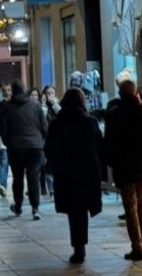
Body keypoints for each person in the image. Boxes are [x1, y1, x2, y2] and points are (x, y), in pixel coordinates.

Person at [44, 88, 102, 264]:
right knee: (82, 210)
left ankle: (78, 246)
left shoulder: (56, 124)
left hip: (66, 174)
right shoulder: (90, 122)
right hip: (87, 173)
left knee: (73, 211)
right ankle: (80, 244)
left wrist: (56, 163)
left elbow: (48, 149)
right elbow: (100, 146)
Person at [104, 79, 142, 261]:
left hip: (124, 166)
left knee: (130, 204)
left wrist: (111, 162)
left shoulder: (113, 116)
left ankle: (137, 244)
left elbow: (109, 143)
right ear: (136, 93)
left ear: (120, 94)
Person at [0, 81, 48, 220]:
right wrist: (40, 141)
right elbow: (44, 127)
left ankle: (18, 206)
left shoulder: (8, 107)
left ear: (13, 91)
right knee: (33, 178)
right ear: (25, 90)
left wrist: (7, 141)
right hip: (35, 147)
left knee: (18, 178)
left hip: (16, 147)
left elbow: (2, 126)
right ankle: (35, 208)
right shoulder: (36, 105)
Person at [40, 85, 61, 199]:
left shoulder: (58, 105)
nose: (50, 95)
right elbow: (41, 121)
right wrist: (43, 105)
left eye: (52, 92)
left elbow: (62, 116)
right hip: (46, 139)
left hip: (57, 139)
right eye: (47, 93)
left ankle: (56, 188)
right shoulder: (42, 107)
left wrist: (55, 104)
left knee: (56, 165)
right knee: (46, 165)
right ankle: (51, 190)